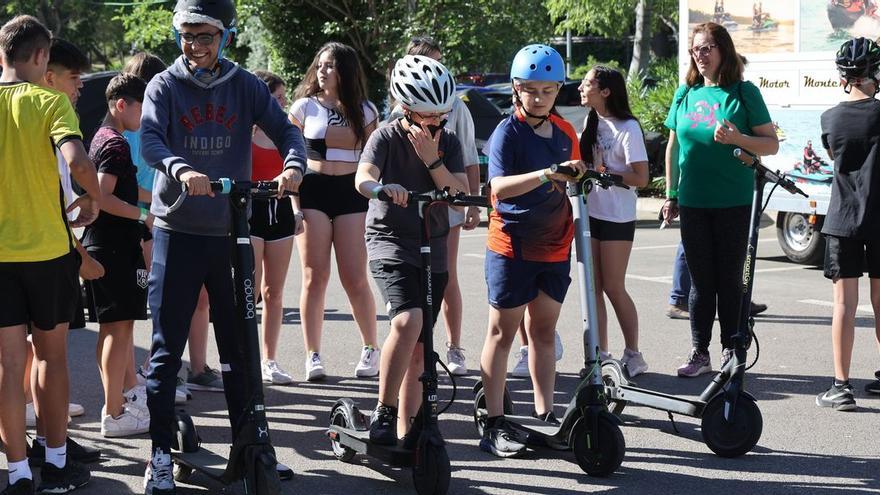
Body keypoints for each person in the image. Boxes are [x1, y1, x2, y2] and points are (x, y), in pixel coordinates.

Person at [139, 1, 306, 493]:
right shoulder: (164, 85)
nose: (196, 46)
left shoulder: (244, 84)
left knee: (240, 347)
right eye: (188, 35)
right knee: (167, 350)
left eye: (206, 36)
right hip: (177, 231)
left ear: (225, 37)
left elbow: (286, 130)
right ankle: (159, 455)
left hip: (230, 233)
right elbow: (149, 138)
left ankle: (253, 444)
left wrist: (294, 164)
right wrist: (181, 169)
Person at [0, 14, 99, 494]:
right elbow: (78, 162)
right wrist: (93, 196)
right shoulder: (51, 102)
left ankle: (17, 473)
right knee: (52, 359)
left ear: (4, 54)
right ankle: (57, 463)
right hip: (49, 253)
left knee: (9, 367)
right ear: (42, 57)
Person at [478, 44, 586, 458]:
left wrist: (580, 173)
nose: (539, 98)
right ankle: (494, 422)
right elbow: (498, 188)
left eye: (547, 90)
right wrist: (545, 173)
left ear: (558, 90)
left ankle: (545, 415)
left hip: (555, 244)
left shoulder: (564, 132)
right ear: (517, 90)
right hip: (512, 244)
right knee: (502, 333)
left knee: (543, 332)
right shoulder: (508, 132)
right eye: (530, 90)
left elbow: (573, 174)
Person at [355, 54, 468, 444]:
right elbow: (363, 177)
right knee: (407, 321)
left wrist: (431, 158)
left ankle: (409, 433)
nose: (437, 122)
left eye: (442, 114)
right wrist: (382, 189)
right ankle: (383, 413)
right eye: (428, 116)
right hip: (389, 240)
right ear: (405, 109)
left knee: (421, 347)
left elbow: (460, 195)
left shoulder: (447, 142)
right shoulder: (385, 136)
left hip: (431, 244)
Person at [662, 22, 778, 378]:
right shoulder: (685, 94)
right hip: (694, 202)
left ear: (723, 50)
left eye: (707, 47)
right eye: (696, 49)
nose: (701, 55)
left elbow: (770, 144)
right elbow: (673, 145)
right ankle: (700, 352)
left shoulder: (743, 93)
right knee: (701, 282)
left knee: (729, 280)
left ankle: (732, 348)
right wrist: (671, 194)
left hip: (734, 202)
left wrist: (738, 138)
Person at [24, 36, 102, 468]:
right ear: (47, 74)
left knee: (30, 357)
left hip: (37, 251)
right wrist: (83, 255)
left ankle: (38, 447)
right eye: (75, 79)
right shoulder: (51, 117)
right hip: (44, 254)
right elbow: (53, 202)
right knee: (46, 358)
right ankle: (51, 450)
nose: (79, 89)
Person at [387, 35, 482, 375]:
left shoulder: (456, 107)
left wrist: (472, 202)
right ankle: (406, 351)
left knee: (447, 276)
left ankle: (454, 346)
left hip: (446, 203)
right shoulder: (396, 112)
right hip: (406, 211)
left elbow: (468, 157)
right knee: (410, 290)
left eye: (441, 62)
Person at [290, 42, 379, 381]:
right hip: (312, 191)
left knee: (355, 277)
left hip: (352, 194)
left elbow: (375, 158)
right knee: (314, 276)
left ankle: (370, 347)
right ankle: (313, 355)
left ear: (346, 71)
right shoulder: (303, 107)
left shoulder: (366, 110)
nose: (324, 71)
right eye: (321, 64)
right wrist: (292, 202)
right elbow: (290, 155)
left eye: (331, 65)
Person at [83, 72, 152, 437]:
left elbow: (121, 187)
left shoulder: (105, 138)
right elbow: (105, 197)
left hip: (108, 245)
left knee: (115, 330)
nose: (145, 116)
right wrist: (144, 215)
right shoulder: (115, 144)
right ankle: (114, 413)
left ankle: (120, 402)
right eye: (141, 107)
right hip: (112, 246)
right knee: (117, 331)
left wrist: (152, 199)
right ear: (121, 105)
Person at [121, 52, 191, 405]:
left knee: (155, 302)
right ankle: (147, 372)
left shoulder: (153, 122)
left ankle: (147, 369)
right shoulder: (133, 130)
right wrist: (154, 204)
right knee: (152, 303)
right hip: (142, 221)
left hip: (152, 218)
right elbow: (124, 183)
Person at [816, 37, 880, 411]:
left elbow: (834, 160)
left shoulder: (830, 119)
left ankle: (841, 386)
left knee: (844, 304)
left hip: (843, 218)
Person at [578, 65, 650, 376]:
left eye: (587, 83)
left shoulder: (628, 128)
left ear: (606, 91)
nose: (581, 87)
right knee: (592, 287)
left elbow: (642, 178)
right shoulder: (590, 121)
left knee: (613, 286)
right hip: (590, 214)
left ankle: (634, 355)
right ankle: (601, 355)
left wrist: (608, 175)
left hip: (618, 217)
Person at [252, 70, 302, 385]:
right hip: (252, 211)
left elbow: (295, 175)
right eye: (278, 97)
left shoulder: (285, 132)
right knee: (251, 290)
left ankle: (269, 359)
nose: (283, 102)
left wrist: (297, 211)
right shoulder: (246, 131)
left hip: (281, 210)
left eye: (284, 97)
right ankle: (245, 356)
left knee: (274, 291)